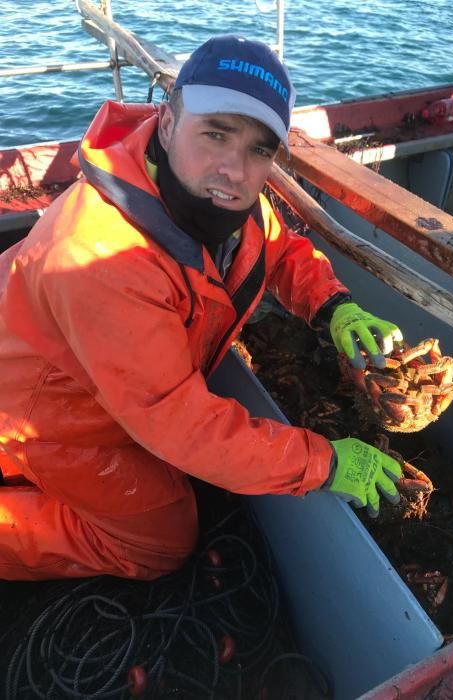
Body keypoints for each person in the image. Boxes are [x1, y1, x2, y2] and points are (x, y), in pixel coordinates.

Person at [0, 35, 404, 581]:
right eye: (216, 133)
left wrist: (334, 308)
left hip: (109, 381)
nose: (234, 170)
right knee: (158, 544)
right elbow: (179, 422)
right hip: (44, 413)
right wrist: (323, 462)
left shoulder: (217, 202)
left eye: (259, 149)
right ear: (167, 124)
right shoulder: (101, 256)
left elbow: (276, 247)